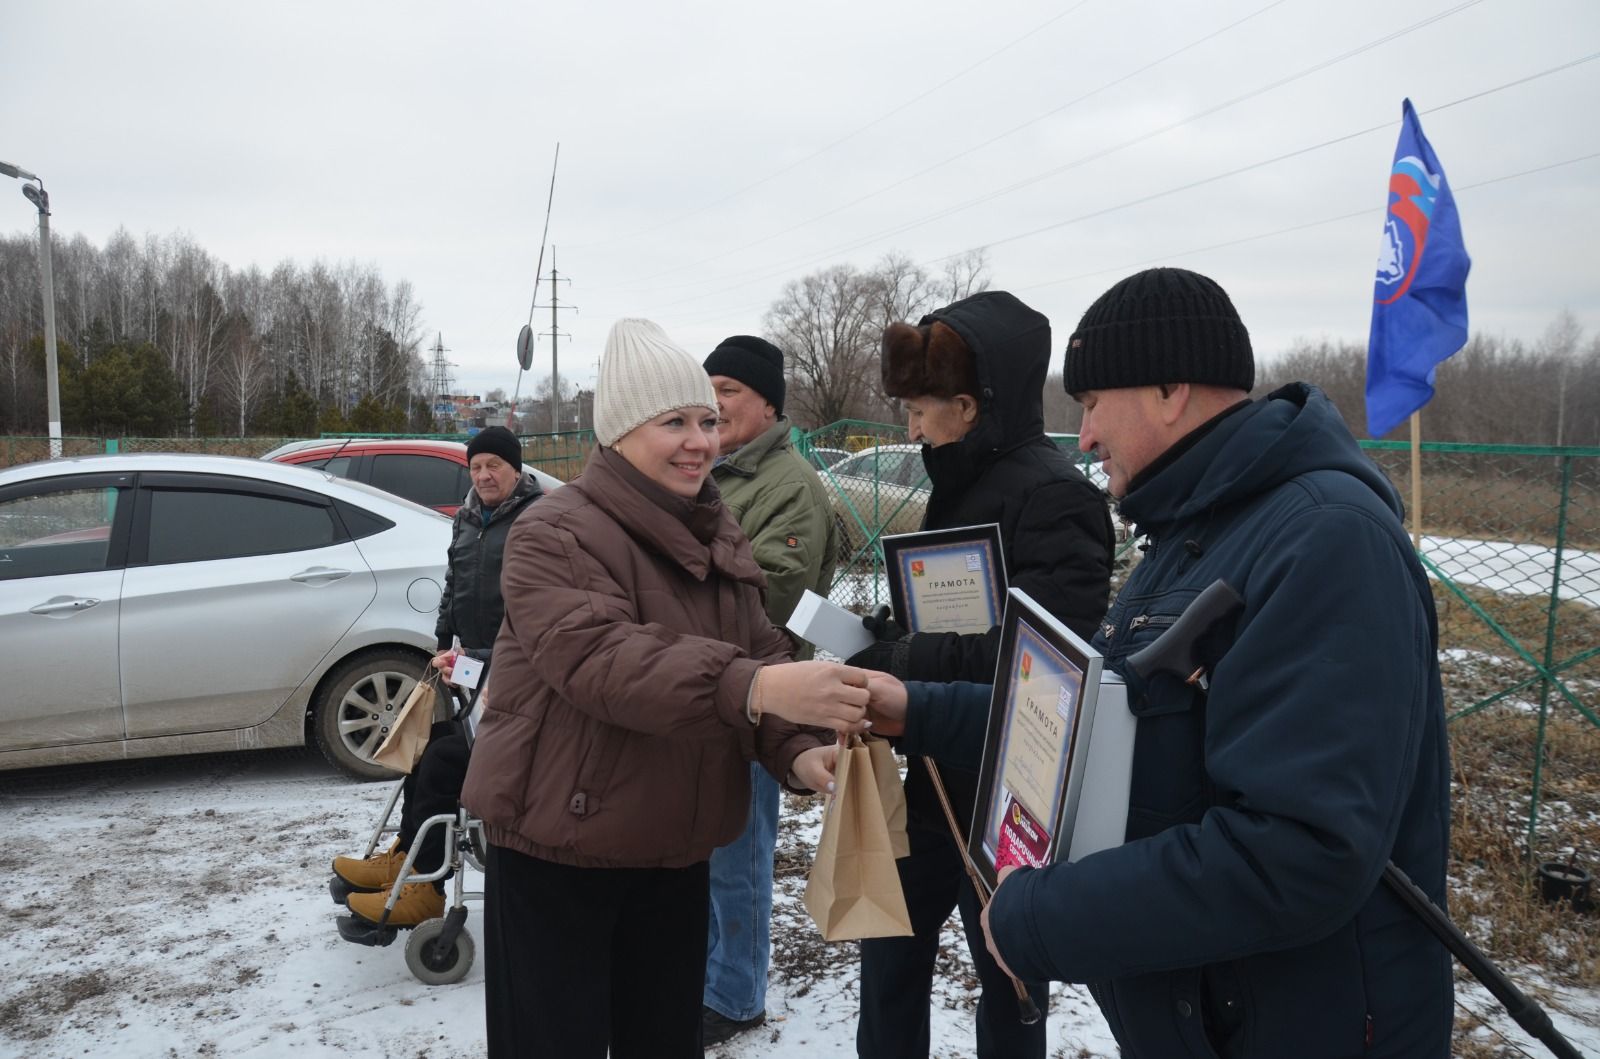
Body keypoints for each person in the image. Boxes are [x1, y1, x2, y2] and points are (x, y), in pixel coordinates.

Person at [865, 267, 1453, 1058]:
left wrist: (1043, 916)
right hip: (1211, 1011)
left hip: (1301, 1025)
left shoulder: (1326, 541)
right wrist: (914, 707)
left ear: (1173, 389)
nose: (1085, 436)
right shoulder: (1189, 535)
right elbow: (1101, 716)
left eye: (1095, 403)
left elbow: (1299, 852)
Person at [459, 318, 871, 1059]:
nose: (701, 440)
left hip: (671, 849)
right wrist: (764, 690)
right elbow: (605, 660)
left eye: (709, 420)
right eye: (674, 421)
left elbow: (756, 645)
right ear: (619, 432)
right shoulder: (555, 531)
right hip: (561, 848)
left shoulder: (714, 529)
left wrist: (796, 748)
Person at [845, 290, 1114, 1059]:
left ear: (969, 405)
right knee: (889, 962)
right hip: (925, 777)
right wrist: (890, 635)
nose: (912, 428)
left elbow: (1047, 657)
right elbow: (946, 618)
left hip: (1008, 799)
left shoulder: (1057, 496)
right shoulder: (954, 481)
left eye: (923, 409)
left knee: (1010, 980)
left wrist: (909, 661)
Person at [331, 425, 543, 929]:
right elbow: (454, 581)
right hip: (473, 669)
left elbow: (539, 607)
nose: (485, 475)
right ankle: (406, 855)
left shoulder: (537, 521)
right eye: (476, 466)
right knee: (428, 747)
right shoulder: (467, 518)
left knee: (447, 760)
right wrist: (445, 642)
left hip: (518, 672)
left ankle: (424, 885)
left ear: (516, 469)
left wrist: (496, 657)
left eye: (495, 465)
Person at [700, 334, 839, 1045]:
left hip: (762, 698)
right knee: (706, 847)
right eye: (709, 386)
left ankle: (735, 993)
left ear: (768, 402)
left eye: (727, 389)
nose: (713, 401)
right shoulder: (719, 474)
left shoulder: (791, 487)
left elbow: (767, 602)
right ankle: (711, 973)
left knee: (740, 854)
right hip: (706, 692)